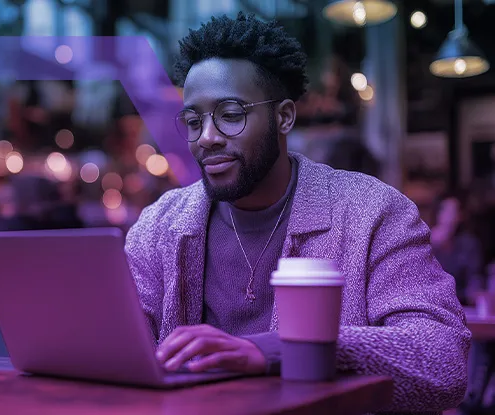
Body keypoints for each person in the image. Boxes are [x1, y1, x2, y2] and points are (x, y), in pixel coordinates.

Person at [124, 12, 469, 414]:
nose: (207, 138)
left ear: (284, 116)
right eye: (194, 120)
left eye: (231, 115)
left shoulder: (371, 213)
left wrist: (279, 350)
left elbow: (443, 362)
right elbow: (117, 345)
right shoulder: (159, 225)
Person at [430, 192, 484, 304]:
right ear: (438, 213)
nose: (453, 216)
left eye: (456, 212)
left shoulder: (469, 244)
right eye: (449, 211)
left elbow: (474, 278)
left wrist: (475, 292)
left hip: (462, 303)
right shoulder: (425, 241)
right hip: (432, 303)